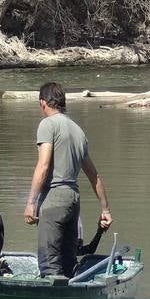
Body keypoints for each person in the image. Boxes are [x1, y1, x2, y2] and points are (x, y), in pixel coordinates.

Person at [24, 81, 112, 278]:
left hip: (54, 199)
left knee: (49, 265)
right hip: (73, 199)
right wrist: (105, 210)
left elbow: (44, 165)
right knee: (68, 262)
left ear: (42, 103)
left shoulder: (47, 124)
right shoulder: (77, 130)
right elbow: (94, 175)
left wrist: (30, 202)